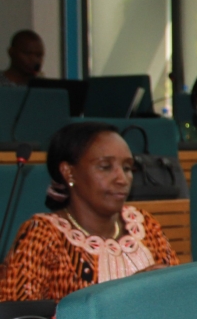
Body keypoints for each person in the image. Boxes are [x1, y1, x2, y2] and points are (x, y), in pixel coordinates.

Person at [0, 122, 178, 302]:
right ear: (68, 172)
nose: (122, 179)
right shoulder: (44, 235)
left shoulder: (144, 225)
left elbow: (179, 293)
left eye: (127, 168)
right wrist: (129, 293)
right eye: (105, 167)